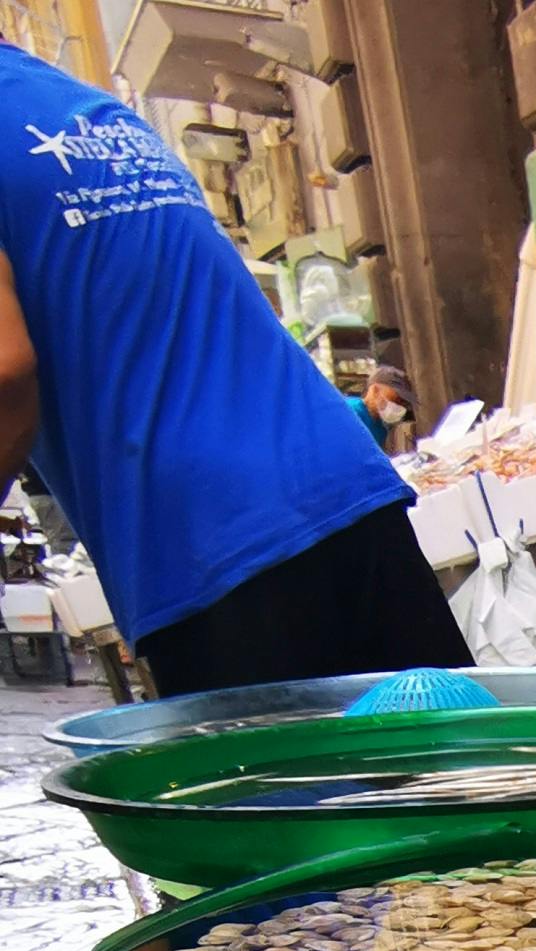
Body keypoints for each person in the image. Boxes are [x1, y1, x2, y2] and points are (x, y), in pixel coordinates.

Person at [0, 44, 469, 696]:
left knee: (285, 792)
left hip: (210, 539)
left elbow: (4, 372)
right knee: (445, 766)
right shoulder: (85, 108)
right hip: (339, 489)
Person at [355, 364, 415, 447]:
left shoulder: (381, 429)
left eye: (402, 403)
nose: (399, 406)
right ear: (375, 390)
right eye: (394, 399)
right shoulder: (350, 411)